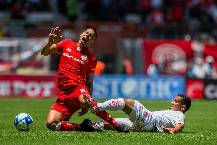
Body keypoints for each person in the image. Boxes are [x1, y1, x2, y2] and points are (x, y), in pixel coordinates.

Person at [41, 27, 124, 131]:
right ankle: (82, 127)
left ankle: (115, 124)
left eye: (90, 36)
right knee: (51, 124)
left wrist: (87, 102)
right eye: (86, 33)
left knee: (87, 102)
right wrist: (49, 43)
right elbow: (44, 52)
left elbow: (89, 81)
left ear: (92, 43)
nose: (87, 35)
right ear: (81, 34)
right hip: (63, 96)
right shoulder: (67, 43)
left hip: (78, 90)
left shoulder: (91, 58)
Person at [91, 94, 191, 134]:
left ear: (183, 107)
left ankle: (97, 106)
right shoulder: (173, 113)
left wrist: (174, 130)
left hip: (150, 120)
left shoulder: (179, 114)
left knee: (128, 102)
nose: (172, 102)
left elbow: (180, 125)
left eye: (176, 101)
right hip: (143, 126)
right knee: (110, 123)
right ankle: (83, 126)